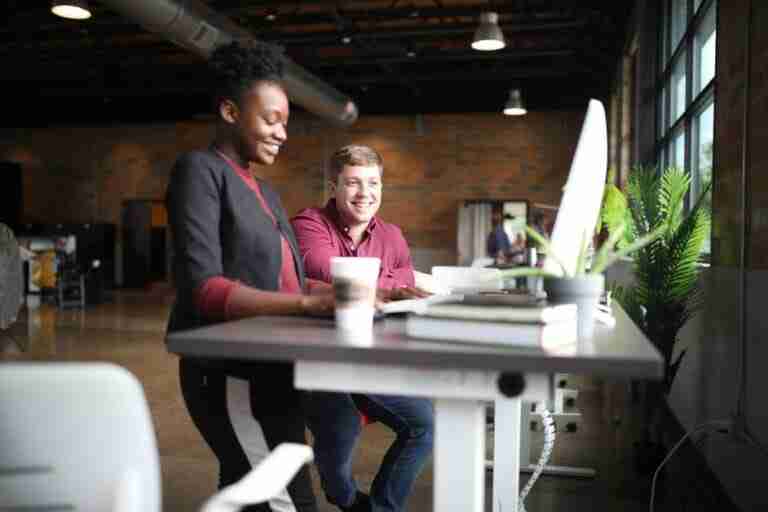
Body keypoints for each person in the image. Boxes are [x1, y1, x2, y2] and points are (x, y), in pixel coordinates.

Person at [165, 40, 335, 512]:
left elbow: (289, 284)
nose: (282, 133)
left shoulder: (265, 190)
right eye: (270, 119)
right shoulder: (199, 172)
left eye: (285, 122)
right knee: (288, 501)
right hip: (228, 370)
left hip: (272, 367)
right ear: (229, 111)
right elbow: (205, 289)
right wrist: (310, 305)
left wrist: (371, 292)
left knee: (253, 492)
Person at [290, 145, 434, 512]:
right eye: (353, 183)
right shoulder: (308, 224)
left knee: (424, 425)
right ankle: (346, 500)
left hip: (372, 357)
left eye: (373, 183)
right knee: (340, 438)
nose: (365, 193)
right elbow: (328, 269)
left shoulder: (392, 235)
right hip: (320, 360)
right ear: (333, 186)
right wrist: (388, 284)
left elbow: (407, 280)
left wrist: (383, 284)